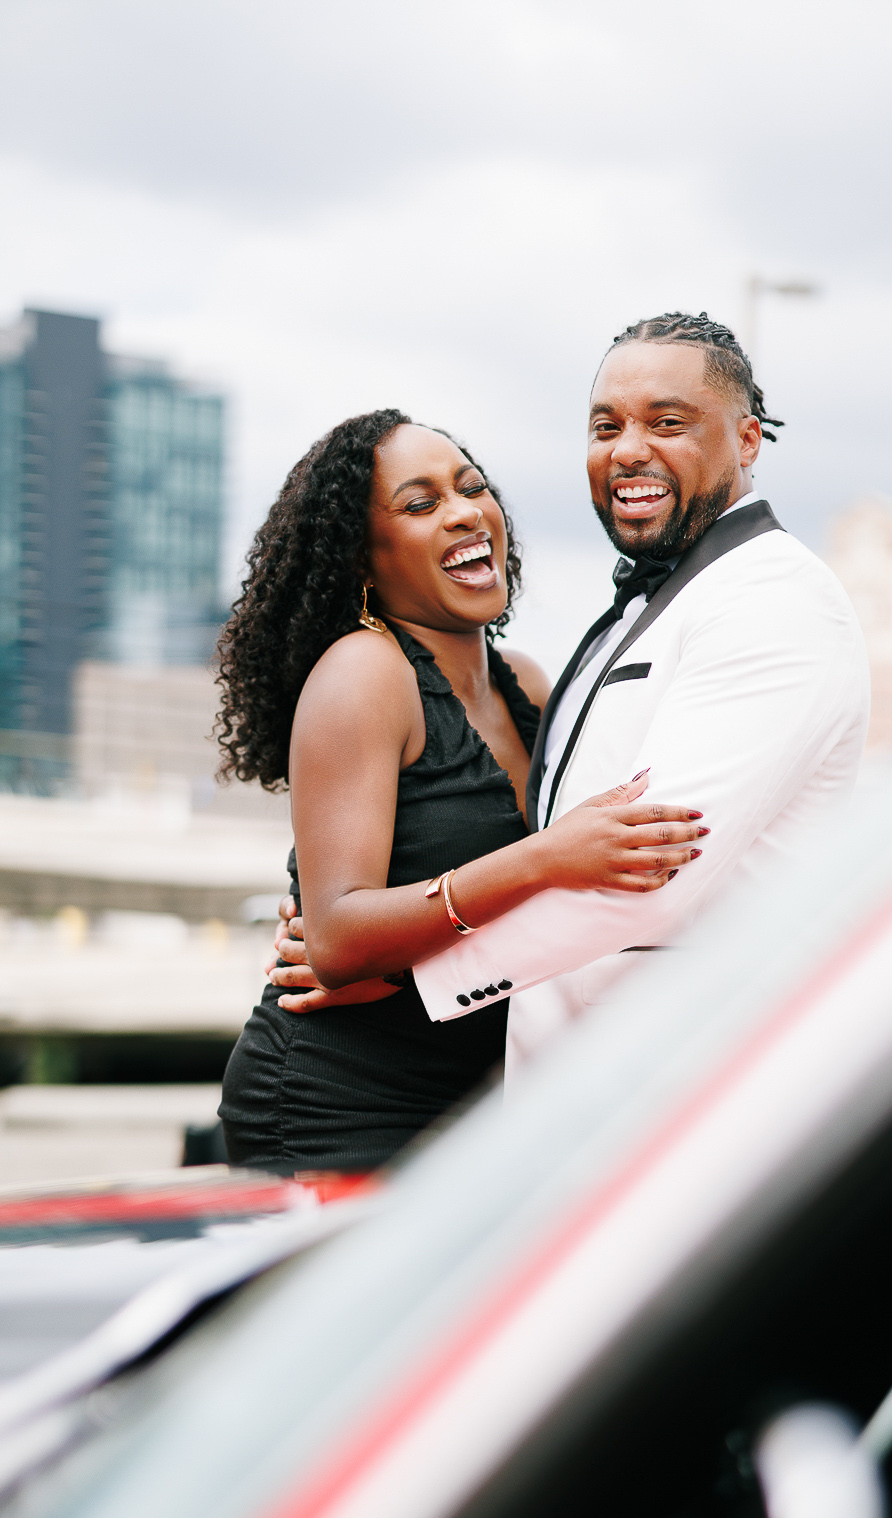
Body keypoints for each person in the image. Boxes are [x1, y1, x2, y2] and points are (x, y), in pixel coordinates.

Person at [272, 313, 870, 1078]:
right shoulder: (651, 607)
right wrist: (355, 928)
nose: (627, 450)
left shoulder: (772, 599)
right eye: (605, 426)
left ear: (747, 440)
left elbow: (657, 872)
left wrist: (399, 973)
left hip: (680, 1077)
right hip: (559, 1090)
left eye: (668, 422)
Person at [214, 408, 705, 1173]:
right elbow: (339, 936)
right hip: (338, 1105)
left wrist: (410, 961)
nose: (464, 513)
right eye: (420, 504)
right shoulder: (365, 674)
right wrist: (544, 859)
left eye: (471, 488)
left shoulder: (528, 687)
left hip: (483, 1104)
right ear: (362, 560)